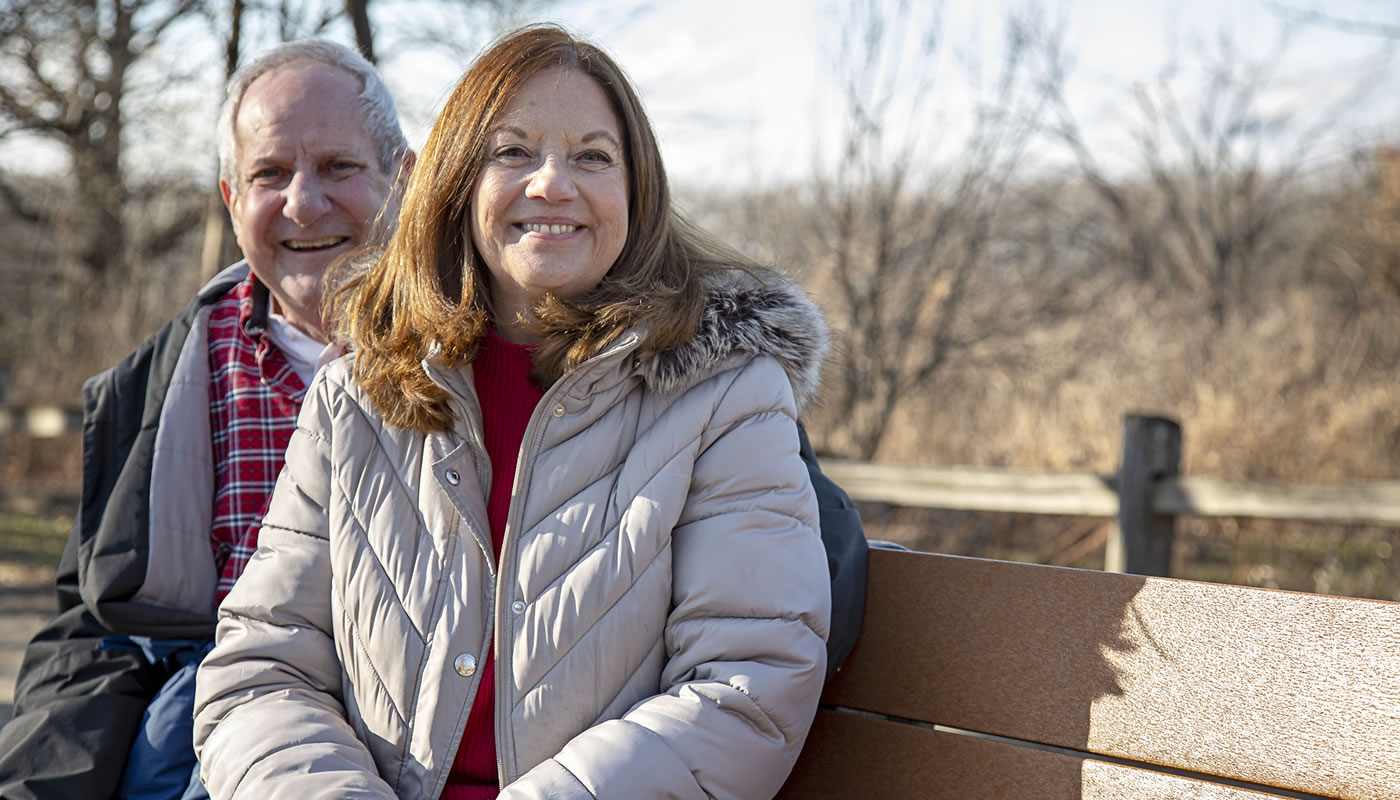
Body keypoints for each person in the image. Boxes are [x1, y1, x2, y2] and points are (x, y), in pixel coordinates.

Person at [193, 24, 843, 799]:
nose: (552, 184)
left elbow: (747, 681)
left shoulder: (725, 393)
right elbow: (263, 665)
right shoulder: (356, 395)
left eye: (593, 156)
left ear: (636, 194)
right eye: (512, 152)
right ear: (458, 183)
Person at [0, 40, 412, 799]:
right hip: (205, 712)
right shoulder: (153, 387)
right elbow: (94, 628)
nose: (303, 202)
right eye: (269, 174)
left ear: (404, 178)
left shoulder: (482, 356)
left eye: (339, 167)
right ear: (230, 198)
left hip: (412, 714)